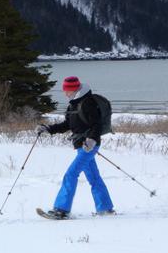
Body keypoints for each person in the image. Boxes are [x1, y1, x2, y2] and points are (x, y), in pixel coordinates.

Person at [35, 76, 114, 219]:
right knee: (94, 178)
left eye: (67, 90)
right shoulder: (73, 104)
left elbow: (97, 125)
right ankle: (105, 208)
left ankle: (61, 210)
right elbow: (67, 124)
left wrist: (91, 140)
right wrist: (48, 129)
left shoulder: (87, 103)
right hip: (81, 145)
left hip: (89, 145)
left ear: (74, 89)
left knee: (71, 174)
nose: (65, 93)